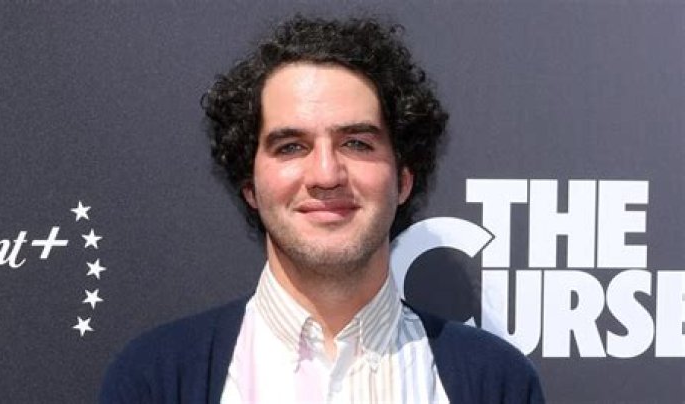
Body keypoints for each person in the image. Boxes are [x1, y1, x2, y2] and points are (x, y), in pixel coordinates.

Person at [100, 15, 544, 404]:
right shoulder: (156, 378)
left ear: (404, 179)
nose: (326, 174)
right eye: (291, 146)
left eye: (357, 143)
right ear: (250, 185)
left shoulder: (496, 382)